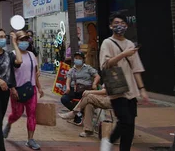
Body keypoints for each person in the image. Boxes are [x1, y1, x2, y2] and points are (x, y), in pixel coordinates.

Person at [100, 12, 148, 151]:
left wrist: (142, 89)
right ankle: (108, 141)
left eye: (122, 23)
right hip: (117, 89)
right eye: (116, 23)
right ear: (110, 26)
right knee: (125, 120)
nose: (119, 26)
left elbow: (136, 68)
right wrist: (123, 54)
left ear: (126, 26)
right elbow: (105, 65)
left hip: (131, 90)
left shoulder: (130, 44)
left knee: (130, 125)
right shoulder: (107, 43)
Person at [3, 31, 44, 150]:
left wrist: (39, 87)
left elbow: (35, 73)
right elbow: (9, 74)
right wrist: (12, 88)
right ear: (17, 41)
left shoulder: (31, 55)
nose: (24, 42)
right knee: (17, 113)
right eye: (21, 40)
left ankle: (30, 139)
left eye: (26, 40)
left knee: (32, 114)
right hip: (17, 90)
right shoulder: (12, 54)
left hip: (31, 89)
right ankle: (9, 124)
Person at [61, 51, 100, 125]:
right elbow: (68, 80)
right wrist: (68, 88)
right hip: (74, 89)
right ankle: (78, 114)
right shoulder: (71, 70)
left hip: (85, 90)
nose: (77, 60)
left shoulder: (88, 68)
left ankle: (76, 114)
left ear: (83, 60)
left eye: (79, 58)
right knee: (64, 99)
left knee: (87, 98)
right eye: (76, 58)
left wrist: (94, 83)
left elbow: (97, 76)